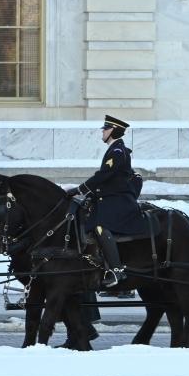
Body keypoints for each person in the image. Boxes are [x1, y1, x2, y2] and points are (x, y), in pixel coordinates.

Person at [66, 115, 143, 288]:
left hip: (119, 201)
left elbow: (104, 176)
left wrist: (80, 189)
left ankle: (116, 271)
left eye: (106, 129)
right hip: (110, 198)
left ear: (113, 131)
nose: (103, 131)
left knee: (100, 227)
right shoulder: (114, 150)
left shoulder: (117, 151)